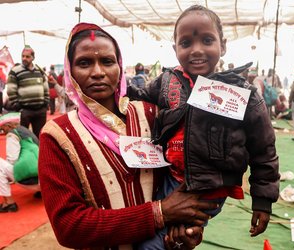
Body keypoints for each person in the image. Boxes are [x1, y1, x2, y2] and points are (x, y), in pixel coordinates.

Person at [38, 22, 217, 250]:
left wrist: (185, 228)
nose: (98, 72)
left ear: (120, 67)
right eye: (84, 63)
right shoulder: (58, 135)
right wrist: (159, 213)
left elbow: (177, 177)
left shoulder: (151, 115)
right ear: (70, 70)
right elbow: (68, 226)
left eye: (107, 61)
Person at [128, 4, 280, 249]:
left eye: (207, 40)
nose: (196, 50)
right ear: (175, 47)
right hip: (171, 179)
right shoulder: (167, 82)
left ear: (223, 44)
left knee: (155, 244)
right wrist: (118, 91)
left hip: (210, 189)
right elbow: (139, 95)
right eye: (186, 43)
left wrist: (263, 201)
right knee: (161, 235)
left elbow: (264, 151)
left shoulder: (242, 94)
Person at [0, 112, 40, 212]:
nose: (2, 130)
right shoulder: (27, 131)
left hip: (31, 182)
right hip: (45, 181)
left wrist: (8, 178)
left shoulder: (12, 134)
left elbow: (12, 160)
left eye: (2, 128)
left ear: (8, 125)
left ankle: (8, 203)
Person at [6, 45, 49, 137]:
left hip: (40, 110)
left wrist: (45, 103)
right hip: (25, 110)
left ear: (33, 57)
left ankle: (38, 152)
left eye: (27, 56)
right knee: (23, 137)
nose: (24, 58)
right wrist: (17, 105)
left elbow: (45, 87)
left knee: (40, 136)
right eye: (23, 56)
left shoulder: (39, 70)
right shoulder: (15, 71)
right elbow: (10, 89)